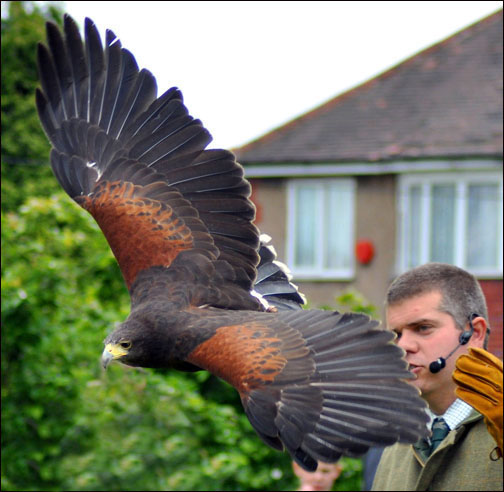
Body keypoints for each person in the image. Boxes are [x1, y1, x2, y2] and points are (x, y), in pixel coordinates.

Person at [371, 263, 503, 491]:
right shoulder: (395, 442)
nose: (403, 346)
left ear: (474, 333)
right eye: (396, 334)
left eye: (423, 328)